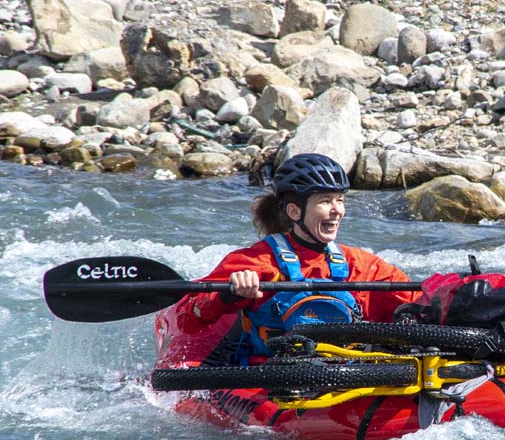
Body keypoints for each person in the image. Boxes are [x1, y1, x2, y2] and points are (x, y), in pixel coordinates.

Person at [174, 153, 414, 363]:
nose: (337, 210)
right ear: (294, 211)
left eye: (340, 200)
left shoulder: (361, 265)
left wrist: (446, 299)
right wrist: (227, 295)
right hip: (270, 374)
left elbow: (417, 301)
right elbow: (186, 319)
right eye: (325, 201)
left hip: (345, 371)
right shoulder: (256, 262)